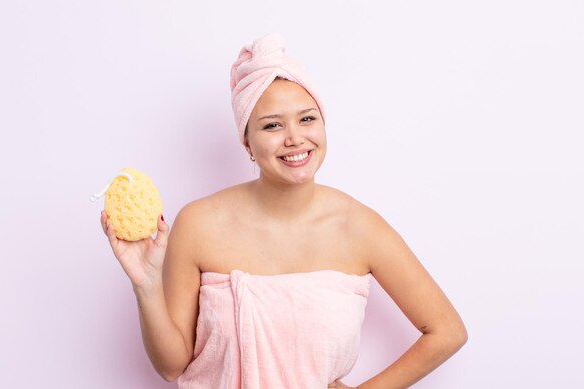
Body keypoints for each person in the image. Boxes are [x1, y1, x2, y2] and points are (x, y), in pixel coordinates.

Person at [100, 32, 467, 389]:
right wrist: (146, 285)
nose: (294, 138)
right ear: (247, 142)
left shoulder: (360, 227)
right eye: (272, 125)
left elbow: (447, 331)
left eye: (307, 119)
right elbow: (170, 367)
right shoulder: (199, 224)